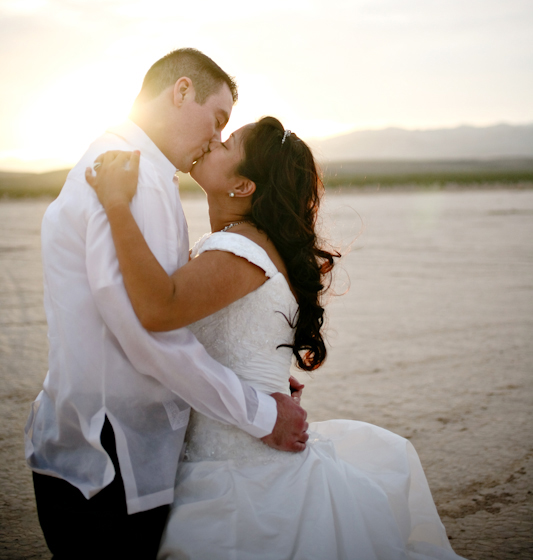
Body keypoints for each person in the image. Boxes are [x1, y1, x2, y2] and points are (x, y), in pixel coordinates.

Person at [86, 116, 467, 560]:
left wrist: (115, 203)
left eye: (227, 143)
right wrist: (267, 378)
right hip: (232, 451)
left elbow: (159, 307)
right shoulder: (247, 243)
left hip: (239, 477)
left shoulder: (240, 249)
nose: (212, 142)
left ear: (243, 186)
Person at [25, 50, 307, 560]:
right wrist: (262, 412)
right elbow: (150, 327)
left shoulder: (109, 161)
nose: (216, 138)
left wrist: (250, 368)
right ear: (180, 92)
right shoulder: (137, 179)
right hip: (113, 455)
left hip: (79, 442)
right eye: (217, 119)